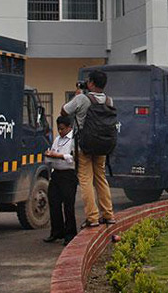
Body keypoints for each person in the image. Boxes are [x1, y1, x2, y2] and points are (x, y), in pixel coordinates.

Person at [61, 70, 115, 228]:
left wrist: (76, 96)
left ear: (91, 83)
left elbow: (64, 111)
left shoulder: (82, 99)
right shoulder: (109, 101)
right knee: (101, 178)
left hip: (84, 146)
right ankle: (108, 214)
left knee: (86, 180)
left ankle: (92, 217)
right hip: (103, 145)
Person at [43, 116, 78, 245]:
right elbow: (53, 152)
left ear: (69, 127)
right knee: (53, 203)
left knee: (68, 205)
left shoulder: (74, 140)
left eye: (62, 129)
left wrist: (60, 156)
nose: (60, 131)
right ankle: (57, 231)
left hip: (68, 175)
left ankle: (70, 234)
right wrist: (50, 155)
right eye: (58, 129)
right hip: (56, 174)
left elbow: (73, 157)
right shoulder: (57, 139)